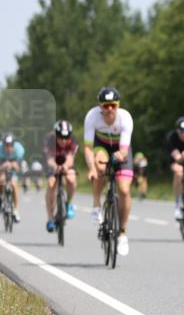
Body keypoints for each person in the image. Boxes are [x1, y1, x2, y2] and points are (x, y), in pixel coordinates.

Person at [84, 87, 135, 256]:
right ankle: (97, 205)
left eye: (113, 105)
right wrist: (91, 168)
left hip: (121, 149)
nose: (110, 109)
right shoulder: (92, 117)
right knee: (99, 167)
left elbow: (124, 151)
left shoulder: (125, 118)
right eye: (106, 106)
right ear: (100, 106)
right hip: (101, 146)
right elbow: (88, 147)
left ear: (118, 105)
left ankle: (122, 233)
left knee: (124, 190)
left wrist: (119, 155)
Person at [44, 119, 79, 232]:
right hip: (53, 163)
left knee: (71, 178)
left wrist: (65, 166)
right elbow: (49, 159)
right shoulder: (49, 139)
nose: (64, 140)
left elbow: (70, 157)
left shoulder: (73, 139)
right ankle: (50, 219)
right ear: (55, 135)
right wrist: (55, 167)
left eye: (66, 137)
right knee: (51, 183)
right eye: (61, 137)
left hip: (66, 163)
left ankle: (68, 203)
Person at [0, 133, 25, 221]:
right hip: (2, 163)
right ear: (3, 144)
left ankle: (16, 210)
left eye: (11, 145)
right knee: (1, 179)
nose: (8, 147)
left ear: (13, 144)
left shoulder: (19, 150)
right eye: (6, 145)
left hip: (14, 166)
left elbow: (20, 168)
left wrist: (14, 165)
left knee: (14, 185)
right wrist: (3, 166)